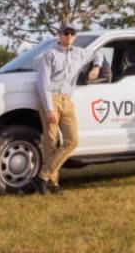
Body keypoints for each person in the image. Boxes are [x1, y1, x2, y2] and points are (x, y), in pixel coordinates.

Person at [33, 25, 102, 195]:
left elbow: (97, 53)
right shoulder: (50, 55)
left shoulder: (79, 53)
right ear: (60, 35)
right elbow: (42, 83)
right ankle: (52, 184)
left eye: (72, 33)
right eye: (66, 33)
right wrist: (49, 109)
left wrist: (96, 67)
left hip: (67, 101)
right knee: (50, 143)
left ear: (75, 37)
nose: (69, 36)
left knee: (72, 140)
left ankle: (42, 176)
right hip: (52, 100)